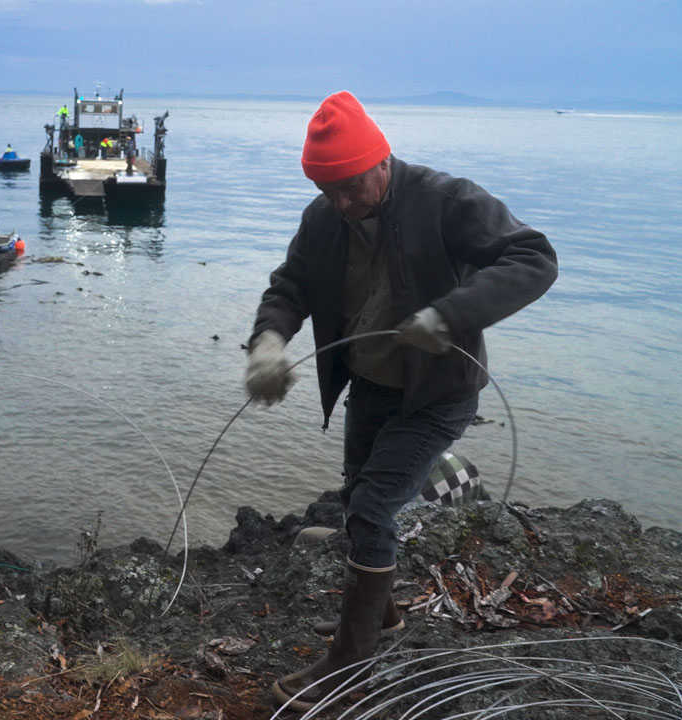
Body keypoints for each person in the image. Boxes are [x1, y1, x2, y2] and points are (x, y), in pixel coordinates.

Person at [244, 91, 557, 711]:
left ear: (380, 161)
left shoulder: (446, 201)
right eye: (327, 190)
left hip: (438, 396)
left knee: (372, 509)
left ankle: (349, 667)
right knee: (356, 498)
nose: (340, 202)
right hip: (369, 388)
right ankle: (381, 616)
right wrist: (269, 341)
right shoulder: (324, 218)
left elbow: (534, 257)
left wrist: (451, 314)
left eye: (349, 187)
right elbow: (290, 286)